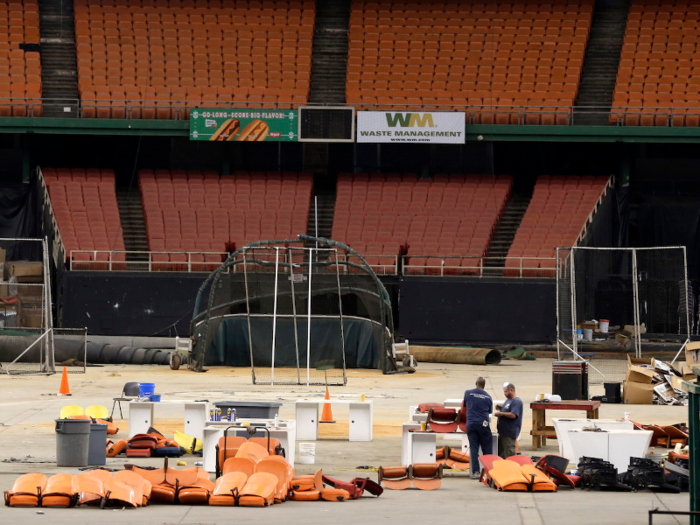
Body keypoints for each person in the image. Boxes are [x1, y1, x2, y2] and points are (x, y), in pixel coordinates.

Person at [463, 376, 493, 479]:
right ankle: (489, 472)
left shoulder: (468, 393)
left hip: (471, 424)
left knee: (474, 448)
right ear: (484, 385)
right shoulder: (488, 397)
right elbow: (489, 412)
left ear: (476, 383)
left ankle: (475, 472)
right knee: (487, 448)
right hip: (483, 424)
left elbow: (465, 405)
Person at [495, 383, 523, 458]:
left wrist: (501, 414)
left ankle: (512, 468)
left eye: (506, 392)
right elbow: (508, 411)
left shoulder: (516, 401)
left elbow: (513, 415)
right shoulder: (508, 400)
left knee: (510, 454)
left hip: (509, 432)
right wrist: (501, 408)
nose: (505, 394)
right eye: (504, 392)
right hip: (503, 432)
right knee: (501, 454)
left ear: (512, 390)